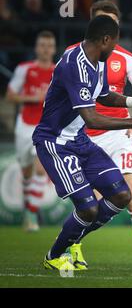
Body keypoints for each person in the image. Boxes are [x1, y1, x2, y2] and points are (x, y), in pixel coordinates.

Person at [32, 15, 132, 271]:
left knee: (122, 194)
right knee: (88, 209)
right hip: (56, 143)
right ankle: (54, 256)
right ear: (105, 39)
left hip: (80, 141)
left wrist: (131, 102)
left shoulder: (97, 61)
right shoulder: (74, 64)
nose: (115, 49)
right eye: (114, 43)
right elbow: (91, 117)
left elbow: (103, 95)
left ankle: (73, 237)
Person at [66, 0, 132, 268]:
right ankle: (73, 249)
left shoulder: (127, 58)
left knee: (131, 195)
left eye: (113, 23)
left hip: (120, 135)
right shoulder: (72, 55)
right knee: (88, 204)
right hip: (83, 137)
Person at [6, 30, 56, 232]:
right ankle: (29, 208)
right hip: (25, 125)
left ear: (53, 49)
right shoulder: (24, 69)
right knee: (26, 173)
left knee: (40, 169)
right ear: (36, 47)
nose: (45, 49)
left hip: (45, 127)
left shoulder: (58, 71)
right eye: (42, 45)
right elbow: (10, 96)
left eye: (49, 45)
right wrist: (34, 97)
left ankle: (31, 215)